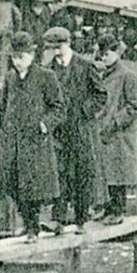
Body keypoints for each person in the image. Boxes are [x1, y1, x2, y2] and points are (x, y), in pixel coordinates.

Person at [0, 31, 64, 243]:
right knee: (13, 184)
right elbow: (1, 107)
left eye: (21, 57)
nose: (17, 62)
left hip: (34, 142)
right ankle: (27, 222)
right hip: (13, 141)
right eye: (14, 57)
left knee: (33, 187)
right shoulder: (10, 78)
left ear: (31, 55)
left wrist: (44, 124)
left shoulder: (46, 77)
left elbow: (58, 108)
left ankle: (32, 227)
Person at [43, 26, 106, 232]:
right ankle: (58, 219)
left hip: (81, 128)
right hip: (59, 129)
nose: (54, 51)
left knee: (82, 172)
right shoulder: (48, 69)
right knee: (59, 171)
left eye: (57, 47)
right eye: (51, 48)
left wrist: (85, 110)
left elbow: (100, 95)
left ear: (67, 43)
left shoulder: (85, 66)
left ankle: (80, 218)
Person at [93, 33, 137, 224]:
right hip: (105, 133)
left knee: (118, 174)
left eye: (106, 54)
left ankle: (118, 210)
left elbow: (136, 106)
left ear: (116, 52)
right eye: (101, 55)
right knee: (107, 174)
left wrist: (115, 122)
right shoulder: (105, 76)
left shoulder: (128, 75)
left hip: (120, 134)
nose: (103, 58)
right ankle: (108, 209)